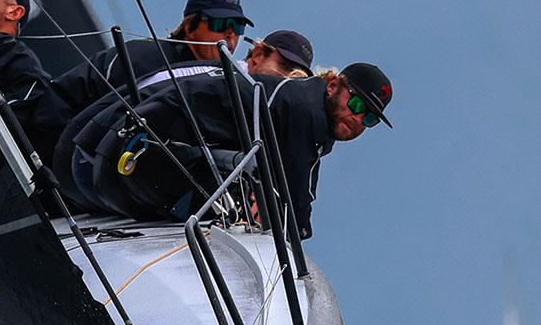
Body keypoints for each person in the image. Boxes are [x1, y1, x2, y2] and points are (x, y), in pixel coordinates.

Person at [59, 61, 393, 235]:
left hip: (107, 160)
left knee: (250, 201)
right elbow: (296, 202)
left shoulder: (306, 113)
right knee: (251, 210)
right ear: (333, 85)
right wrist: (297, 233)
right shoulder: (303, 109)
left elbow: (298, 191)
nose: (359, 118)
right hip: (125, 157)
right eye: (358, 104)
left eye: (370, 119)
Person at [31, 0, 254, 138]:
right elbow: (67, 95)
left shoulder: (224, 88)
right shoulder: (143, 56)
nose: (230, 34)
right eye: (219, 24)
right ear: (190, 26)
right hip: (65, 164)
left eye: (237, 27)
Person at [244, 30, 314, 78]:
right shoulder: (233, 83)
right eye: (285, 66)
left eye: (299, 78)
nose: (289, 78)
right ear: (258, 55)